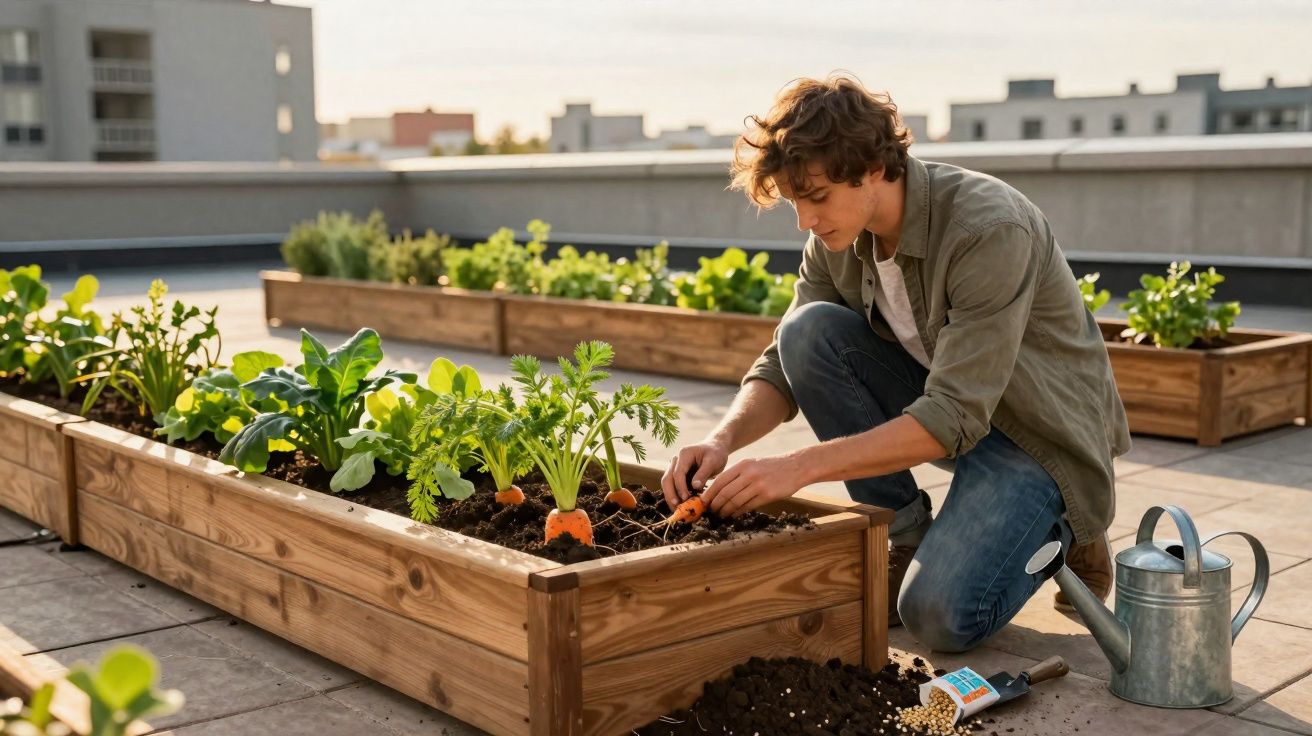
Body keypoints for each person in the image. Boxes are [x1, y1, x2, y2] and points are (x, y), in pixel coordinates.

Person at [659, 74, 1129, 652]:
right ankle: (902, 535)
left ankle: (1071, 526)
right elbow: (784, 364)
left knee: (937, 618)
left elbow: (953, 416)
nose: (804, 220)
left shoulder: (987, 229)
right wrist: (723, 439)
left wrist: (799, 467)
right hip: (956, 417)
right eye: (793, 202)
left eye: (817, 197)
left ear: (875, 168)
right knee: (807, 332)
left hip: (1041, 443)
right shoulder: (839, 237)